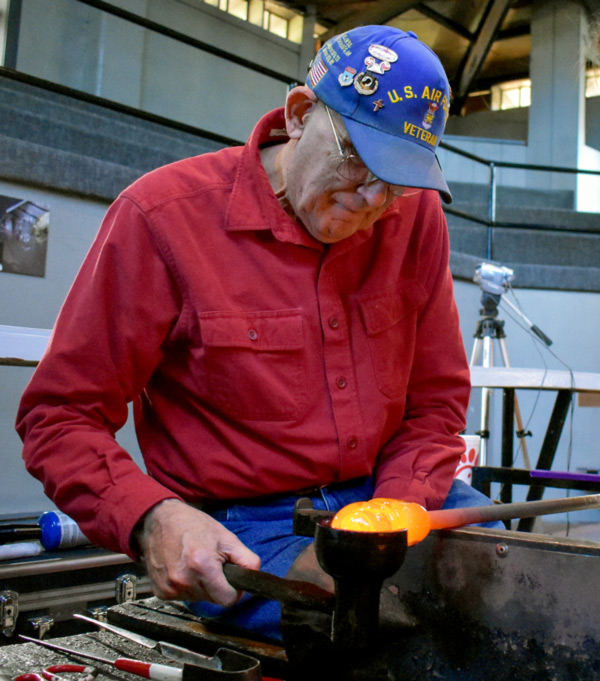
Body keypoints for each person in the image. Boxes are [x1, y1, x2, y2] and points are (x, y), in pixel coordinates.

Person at [16, 25, 503, 642]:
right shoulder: (161, 218)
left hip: (389, 493)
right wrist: (152, 517)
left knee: (513, 595)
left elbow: (435, 401)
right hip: (250, 524)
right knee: (366, 633)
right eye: (360, 163)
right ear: (300, 115)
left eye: (399, 179)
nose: (375, 200)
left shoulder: (414, 215)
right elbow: (59, 416)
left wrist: (400, 500)